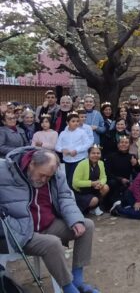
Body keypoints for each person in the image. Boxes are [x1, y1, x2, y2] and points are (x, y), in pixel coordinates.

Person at [0, 147, 99, 293]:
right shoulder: (4, 171)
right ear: (32, 164)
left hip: (48, 224)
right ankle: (69, 288)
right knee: (52, 243)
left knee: (87, 225)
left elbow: (65, 197)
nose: (44, 180)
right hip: (19, 232)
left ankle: (78, 280)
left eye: (48, 177)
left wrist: (76, 220)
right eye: (42, 175)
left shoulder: (55, 173)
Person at [55, 112, 93, 187]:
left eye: (77, 121)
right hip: (67, 160)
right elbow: (57, 146)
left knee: (77, 179)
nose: (76, 123)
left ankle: (77, 195)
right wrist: (62, 150)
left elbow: (88, 144)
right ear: (67, 122)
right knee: (69, 179)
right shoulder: (63, 133)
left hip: (79, 159)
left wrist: (77, 150)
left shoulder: (82, 132)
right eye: (73, 121)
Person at [72, 146, 109, 216]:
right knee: (94, 200)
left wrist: (100, 184)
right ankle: (88, 207)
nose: (96, 155)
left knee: (105, 187)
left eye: (98, 153)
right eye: (93, 153)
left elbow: (104, 177)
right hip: (82, 191)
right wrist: (91, 183)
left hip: (95, 188)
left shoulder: (101, 163)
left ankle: (95, 207)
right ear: (88, 154)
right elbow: (75, 182)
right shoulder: (82, 164)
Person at [105, 136, 139, 211]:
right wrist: (120, 179)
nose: (124, 144)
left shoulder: (132, 157)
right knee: (112, 183)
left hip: (127, 182)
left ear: (129, 145)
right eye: (122, 142)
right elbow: (107, 172)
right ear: (118, 145)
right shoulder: (111, 156)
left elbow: (138, 172)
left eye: (126, 142)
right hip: (114, 181)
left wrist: (135, 164)